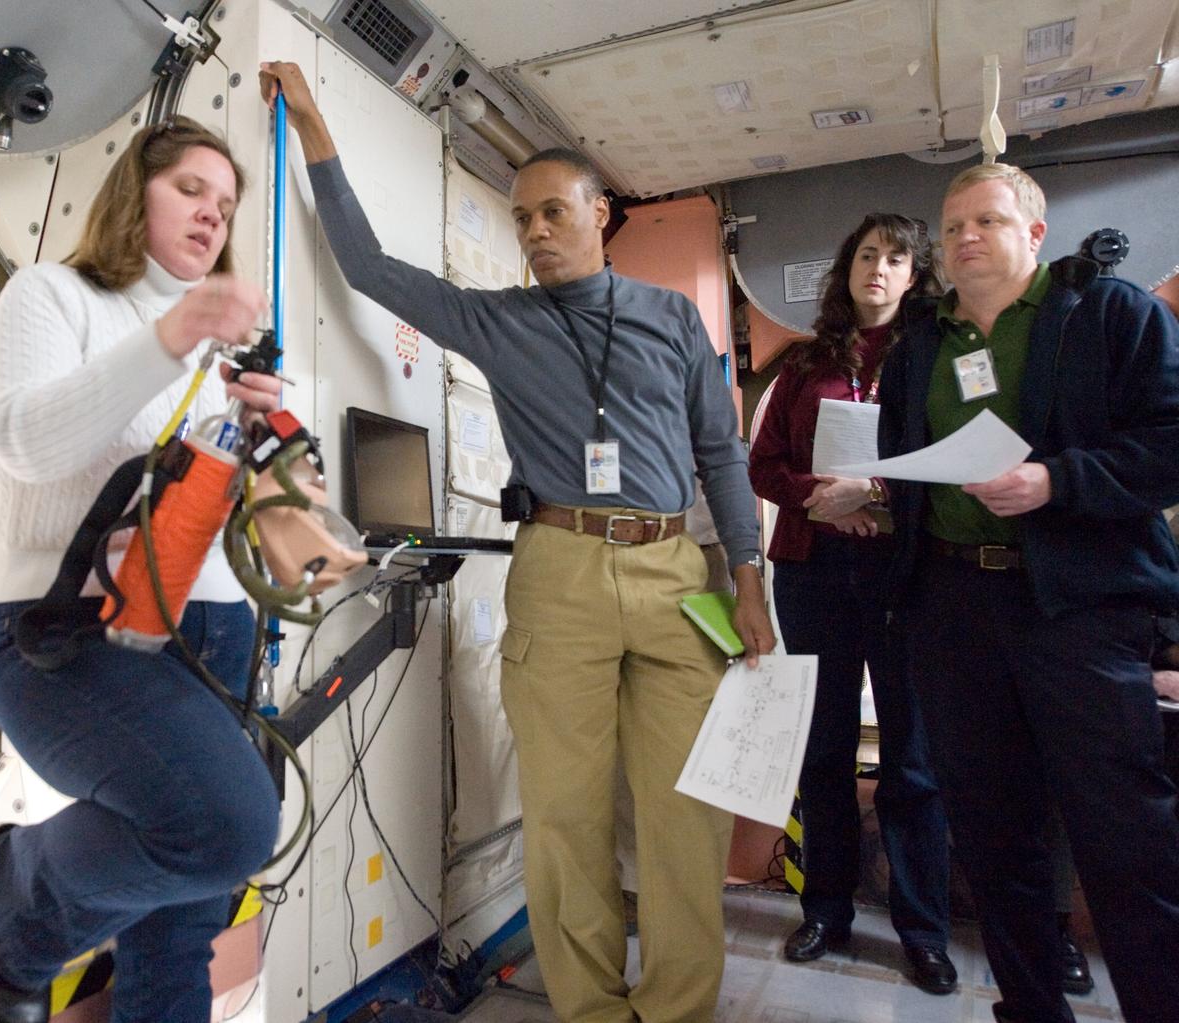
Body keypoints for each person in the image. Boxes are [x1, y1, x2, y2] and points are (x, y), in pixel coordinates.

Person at [260, 59, 776, 1023]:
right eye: (523, 218)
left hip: (674, 573)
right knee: (565, 818)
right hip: (560, 570)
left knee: (683, 817)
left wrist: (749, 579)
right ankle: (589, 1008)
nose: (536, 232)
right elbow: (370, 268)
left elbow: (720, 453)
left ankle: (674, 1009)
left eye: (554, 213)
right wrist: (313, 126)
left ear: (601, 213)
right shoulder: (497, 322)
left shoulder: (674, 320)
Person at [0, 117, 283, 1023]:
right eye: (190, 189)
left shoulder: (218, 356)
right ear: (132, 192)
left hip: (212, 635)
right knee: (226, 826)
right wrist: (170, 336)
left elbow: (218, 523)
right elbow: (27, 444)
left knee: (182, 930)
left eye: (224, 206)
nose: (211, 216)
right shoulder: (52, 295)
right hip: (66, 633)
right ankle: (9, 895)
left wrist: (262, 448)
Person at [878, 161, 1179, 1023]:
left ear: (1034, 234)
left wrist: (1058, 481)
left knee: (1124, 837)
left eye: (988, 221)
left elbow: (1169, 440)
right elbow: (915, 466)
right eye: (953, 225)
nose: (965, 238)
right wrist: (871, 494)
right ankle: (1030, 1007)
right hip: (955, 612)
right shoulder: (922, 344)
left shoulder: (1111, 314)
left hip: (1079, 611)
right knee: (991, 831)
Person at [749, 213, 956, 994]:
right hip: (813, 569)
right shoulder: (803, 364)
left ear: (914, 275)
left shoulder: (934, 355)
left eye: (895, 257)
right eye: (867, 253)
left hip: (904, 571)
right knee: (824, 750)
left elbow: (949, 461)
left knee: (912, 757)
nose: (879, 267)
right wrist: (818, 499)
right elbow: (764, 464)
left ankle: (923, 932)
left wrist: (873, 493)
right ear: (847, 269)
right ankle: (825, 912)